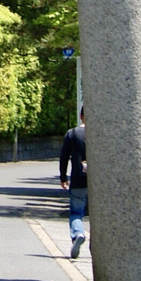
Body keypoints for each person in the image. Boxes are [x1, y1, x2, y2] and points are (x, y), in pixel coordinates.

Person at [58, 107, 87, 258]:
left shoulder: (72, 134)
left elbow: (64, 157)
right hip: (98, 183)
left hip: (78, 180)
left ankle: (78, 233)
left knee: (76, 213)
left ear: (81, 116)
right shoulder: (101, 134)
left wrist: (63, 178)